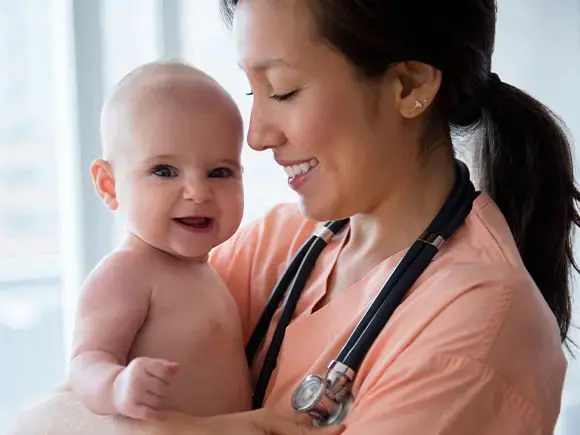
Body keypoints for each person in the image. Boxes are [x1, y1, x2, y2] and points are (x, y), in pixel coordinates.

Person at [8, 0, 579, 434]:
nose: (254, 137)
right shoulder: (282, 242)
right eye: (251, 90)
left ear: (409, 85)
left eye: (281, 91)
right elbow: (93, 393)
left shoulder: (474, 331)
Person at [67, 61, 252, 420]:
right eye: (164, 171)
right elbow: (85, 360)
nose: (198, 192)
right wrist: (116, 386)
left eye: (220, 172)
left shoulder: (207, 273)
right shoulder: (127, 272)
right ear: (109, 185)